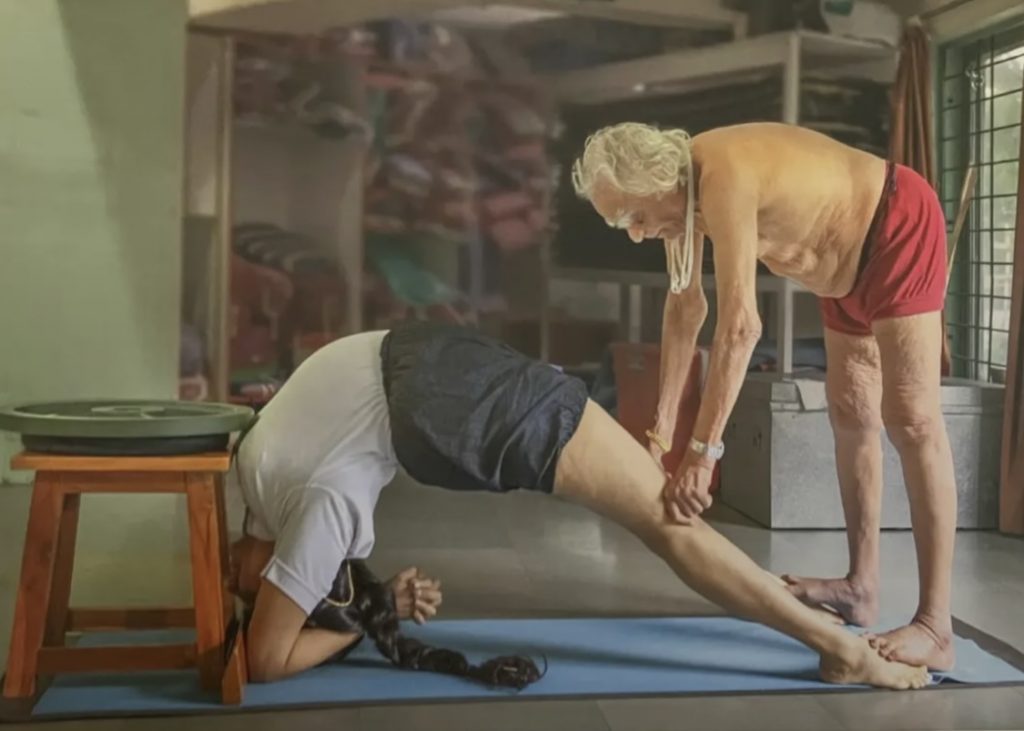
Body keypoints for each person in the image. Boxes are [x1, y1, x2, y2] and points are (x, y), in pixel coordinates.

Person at [226, 320, 929, 689]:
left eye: (253, 581)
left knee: (667, 525)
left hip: (445, 392)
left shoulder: (305, 499)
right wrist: (371, 608)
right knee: (664, 518)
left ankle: (838, 647)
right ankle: (831, 639)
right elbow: (274, 630)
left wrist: (363, 616)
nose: (243, 580)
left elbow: (265, 656)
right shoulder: (266, 460)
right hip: (431, 363)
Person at [572, 121, 956, 671]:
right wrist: (658, 438)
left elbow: (740, 326)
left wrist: (703, 455)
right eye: (618, 223)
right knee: (851, 414)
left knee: (912, 420)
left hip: (896, 227)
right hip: (842, 277)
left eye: (631, 216)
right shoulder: (679, 206)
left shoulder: (722, 174)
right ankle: (860, 587)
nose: (633, 233)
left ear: (657, 182)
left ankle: (935, 626)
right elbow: (686, 312)